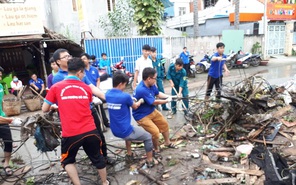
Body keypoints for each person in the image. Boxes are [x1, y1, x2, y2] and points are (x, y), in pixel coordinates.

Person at [42, 58, 109, 185]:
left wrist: (55, 106)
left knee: (68, 161)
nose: (83, 75)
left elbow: (44, 109)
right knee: (98, 157)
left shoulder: (56, 87)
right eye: (83, 73)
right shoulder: (86, 88)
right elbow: (84, 103)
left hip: (71, 133)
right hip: (91, 130)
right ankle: (105, 182)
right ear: (79, 72)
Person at [52, 49, 114, 165]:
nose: (69, 58)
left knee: (98, 135)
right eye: (65, 57)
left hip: (89, 110)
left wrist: (108, 98)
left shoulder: (79, 71)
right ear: (58, 62)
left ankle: (103, 158)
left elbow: (92, 87)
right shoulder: (58, 78)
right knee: (76, 139)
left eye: (69, 55)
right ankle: (76, 163)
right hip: (72, 115)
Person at [106, 71, 154, 167]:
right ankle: (150, 160)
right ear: (120, 84)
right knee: (148, 136)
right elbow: (135, 106)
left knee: (129, 129)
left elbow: (124, 101)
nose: (125, 87)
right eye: (124, 85)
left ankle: (129, 154)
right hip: (125, 131)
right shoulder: (125, 96)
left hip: (115, 130)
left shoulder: (108, 94)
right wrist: (140, 100)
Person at [133, 67, 177, 154]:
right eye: (154, 78)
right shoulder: (141, 89)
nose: (155, 80)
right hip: (141, 115)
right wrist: (167, 100)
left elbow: (158, 94)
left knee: (164, 124)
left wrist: (169, 96)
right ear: (149, 78)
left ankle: (167, 142)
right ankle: (156, 149)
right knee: (155, 132)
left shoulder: (151, 85)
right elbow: (154, 102)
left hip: (151, 111)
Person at [0, 67, 15, 176]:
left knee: (8, 142)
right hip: (3, 120)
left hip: (2, 118)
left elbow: (1, 103)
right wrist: (10, 120)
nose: (0, 78)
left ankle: (6, 164)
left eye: (0, 75)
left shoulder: (0, 86)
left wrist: (4, 114)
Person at [150, 47, 169, 111]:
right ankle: (155, 108)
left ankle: (164, 106)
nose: (154, 54)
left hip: (159, 79)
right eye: (153, 52)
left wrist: (161, 77)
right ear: (150, 53)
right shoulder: (149, 61)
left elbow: (161, 69)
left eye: (155, 52)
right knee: (153, 93)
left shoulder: (158, 60)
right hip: (152, 80)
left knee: (162, 92)